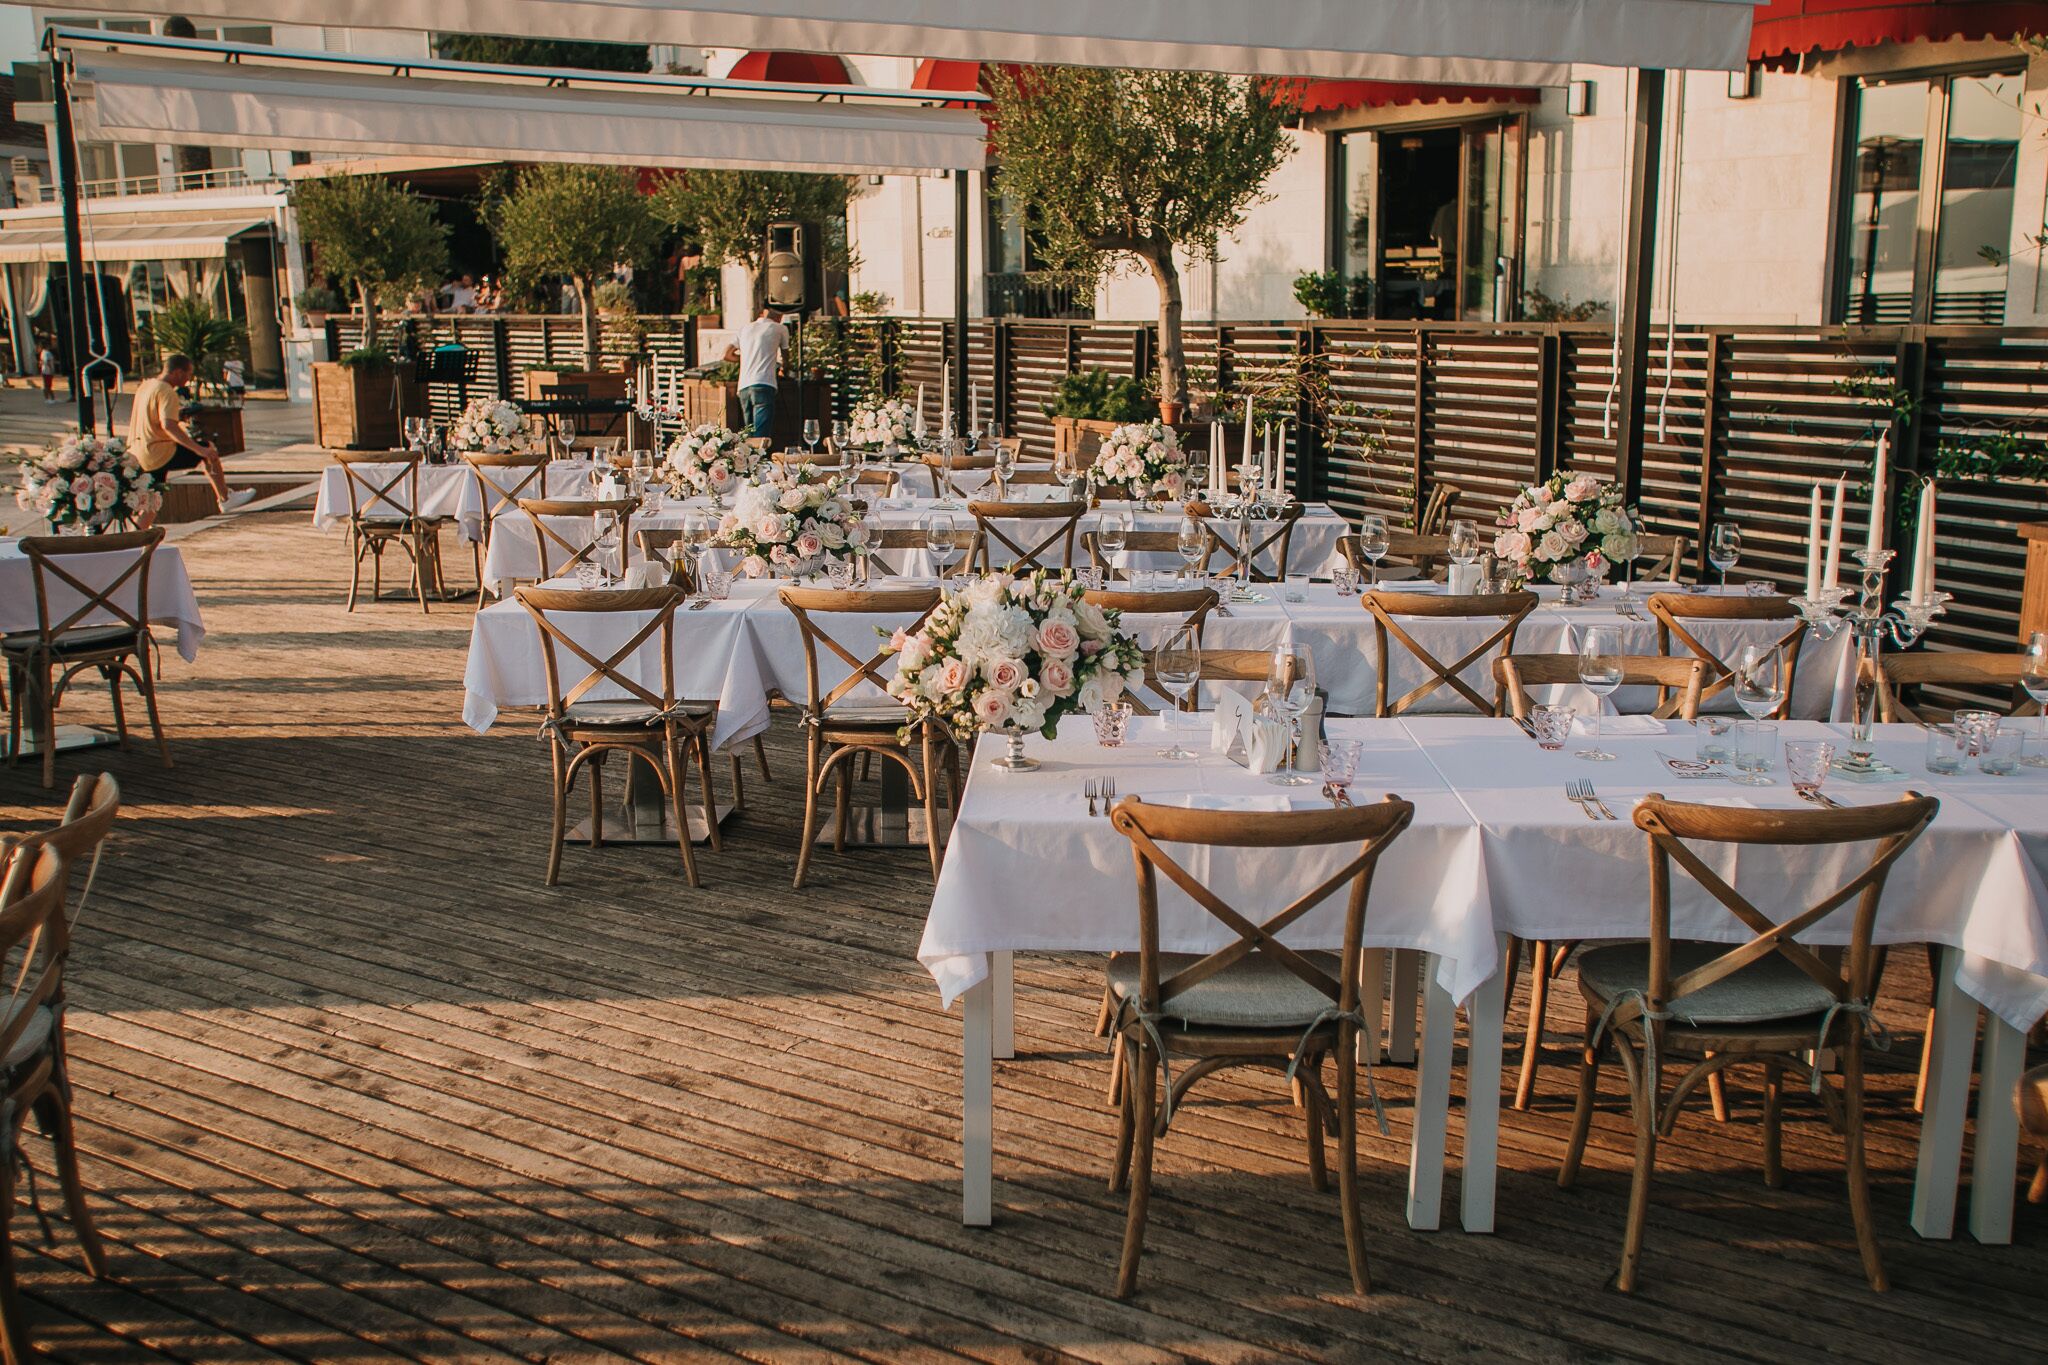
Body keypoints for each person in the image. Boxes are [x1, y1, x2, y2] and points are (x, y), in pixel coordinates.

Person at [129, 353, 255, 520]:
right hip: (159, 453)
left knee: (152, 501)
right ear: (178, 372)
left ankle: (135, 538)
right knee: (208, 449)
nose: (189, 379)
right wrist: (198, 449)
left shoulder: (146, 386)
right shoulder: (167, 392)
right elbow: (168, 425)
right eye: (188, 374)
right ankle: (225, 498)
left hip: (140, 451)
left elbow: (153, 419)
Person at [726, 304, 788, 440]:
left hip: (743, 386)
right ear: (779, 317)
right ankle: (760, 460)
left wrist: (746, 358)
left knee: (748, 435)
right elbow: (786, 360)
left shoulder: (745, 328)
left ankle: (750, 461)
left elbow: (728, 355)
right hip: (764, 383)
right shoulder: (780, 328)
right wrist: (784, 369)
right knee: (761, 436)